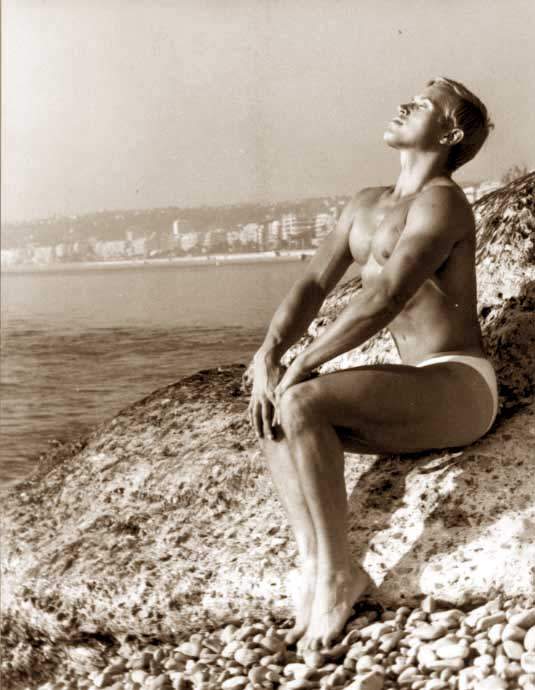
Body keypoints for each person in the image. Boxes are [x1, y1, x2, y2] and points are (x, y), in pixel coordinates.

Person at [246, 77, 496, 652]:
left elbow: (385, 297)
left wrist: (303, 363)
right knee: (268, 396)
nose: (406, 104)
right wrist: (269, 353)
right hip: (416, 387)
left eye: (425, 105)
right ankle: (315, 563)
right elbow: (313, 284)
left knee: (301, 398)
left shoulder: (443, 202)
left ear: (450, 134)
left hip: (459, 384)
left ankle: (341, 576)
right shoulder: (364, 203)